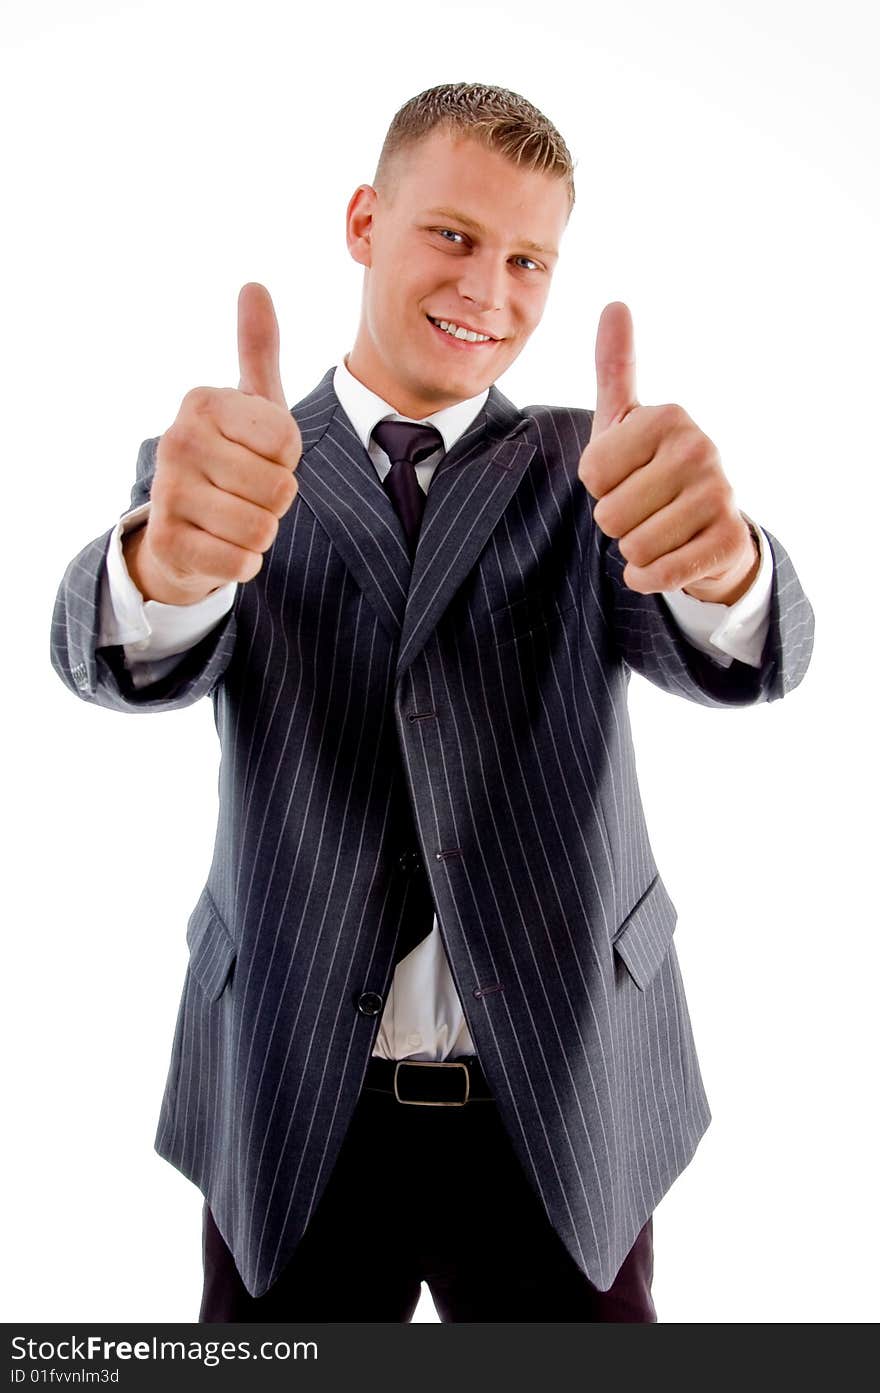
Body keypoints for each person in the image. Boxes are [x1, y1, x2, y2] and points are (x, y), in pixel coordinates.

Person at [50, 81, 814, 1322]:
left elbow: (741, 656)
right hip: (296, 1097)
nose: (489, 291)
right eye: (453, 237)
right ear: (363, 220)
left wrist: (725, 566)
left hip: (557, 1104)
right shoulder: (233, 460)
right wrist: (160, 571)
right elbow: (126, 652)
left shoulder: (591, 471)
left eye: (528, 259)